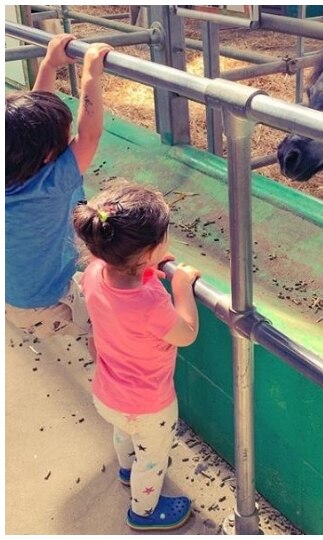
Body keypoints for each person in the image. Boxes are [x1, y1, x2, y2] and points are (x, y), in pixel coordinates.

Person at [73, 181, 201, 531]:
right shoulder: (151, 303)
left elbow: (121, 288)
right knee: (153, 457)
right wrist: (181, 288)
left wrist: (145, 267)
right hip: (149, 406)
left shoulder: (96, 272)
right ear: (148, 252)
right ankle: (143, 512)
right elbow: (186, 334)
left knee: (124, 433)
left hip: (107, 393)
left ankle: (127, 469)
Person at [5, 34, 112, 344]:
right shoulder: (53, 183)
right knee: (108, 327)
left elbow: (31, 126)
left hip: (14, 294)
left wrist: (50, 64)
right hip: (47, 305)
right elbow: (89, 135)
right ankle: (110, 381)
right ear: (49, 154)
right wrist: (91, 75)